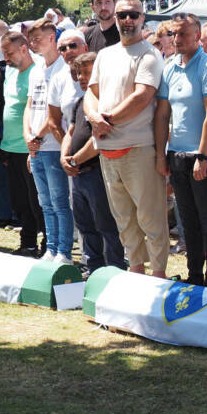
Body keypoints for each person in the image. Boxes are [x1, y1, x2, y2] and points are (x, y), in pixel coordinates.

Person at [85, 0, 168, 278]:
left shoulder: (149, 55)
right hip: (108, 149)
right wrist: (94, 119)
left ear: (143, 18)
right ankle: (135, 272)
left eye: (133, 15)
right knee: (123, 220)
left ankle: (158, 276)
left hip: (139, 148)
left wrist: (106, 121)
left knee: (150, 218)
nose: (127, 20)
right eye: (122, 15)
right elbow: (90, 93)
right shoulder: (106, 55)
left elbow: (143, 96)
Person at [155, 12, 207, 287]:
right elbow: (162, 115)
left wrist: (202, 155)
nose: (177, 38)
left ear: (198, 35)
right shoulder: (170, 67)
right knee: (188, 221)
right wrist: (162, 155)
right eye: (174, 33)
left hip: (202, 155)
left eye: (183, 33)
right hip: (177, 155)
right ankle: (194, 275)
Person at [61, 51, 125, 273]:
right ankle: (93, 267)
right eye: (78, 73)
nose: (81, 77)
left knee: (106, 224)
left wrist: (76, 159)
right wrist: (64, 157)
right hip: (78, 174)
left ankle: (115, 268)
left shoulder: (106, 101)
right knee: (85, 225)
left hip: (97, 171)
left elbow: (99, 136)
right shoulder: (81, 101)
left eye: (87, 72)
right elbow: (70, 131)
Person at [25, 19, 74, 264]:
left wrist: (38, 135)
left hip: (53, 144)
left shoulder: (63, 69)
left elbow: (56, 112)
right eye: (31, 39)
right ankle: (51, 247)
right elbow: (29, 105)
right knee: (44, 202)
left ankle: (64, 250)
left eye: (38, 38)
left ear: (52, 36)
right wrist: (28, 136)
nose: (34, 43)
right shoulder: (36, 69)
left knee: (59, 200)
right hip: (36, 147)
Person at [0, 31, 45, 256]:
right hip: (11, 147)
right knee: (20, 202)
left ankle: (48, 243)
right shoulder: (11, 71)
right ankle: (27, 243)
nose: (5, 58)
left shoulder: (38, 71)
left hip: (30, 147)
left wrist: (31, 145)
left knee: (38, 202)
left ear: (24, 49)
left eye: (9, 53)